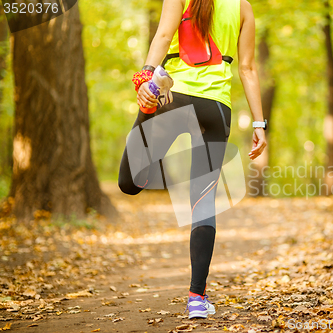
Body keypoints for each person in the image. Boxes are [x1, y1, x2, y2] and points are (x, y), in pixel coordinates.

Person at [118, 0, 267, 319]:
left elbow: (162, 36)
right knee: (202, 202)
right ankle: (197, 299)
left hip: (171, 99)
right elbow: (247, 68)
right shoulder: (243, 7)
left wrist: (145, 77)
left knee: (129, 183)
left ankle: (149, 102)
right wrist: (258, 123)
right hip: (215, 109)